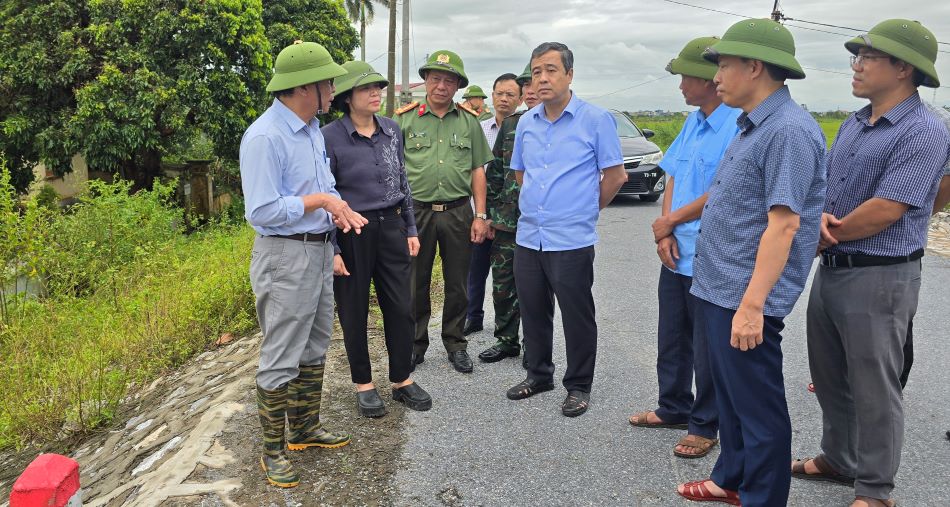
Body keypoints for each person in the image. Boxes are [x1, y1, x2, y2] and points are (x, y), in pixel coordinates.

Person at [794, 20, 949, 507]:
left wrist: (821, 236)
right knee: (831, 373)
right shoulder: (854, 122)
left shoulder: (924, 129)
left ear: (904, 69)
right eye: (856, 56)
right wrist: (817, 219)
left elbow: (889, 207)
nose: (856, 66)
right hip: (835, 265)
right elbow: (830, 187)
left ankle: (876, 490)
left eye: (868, 58)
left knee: (875, 386)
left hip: (881, 273)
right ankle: (840, 458)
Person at [675, 19, 827, 506]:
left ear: (755, 66)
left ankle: (762, 496)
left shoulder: (788, 131)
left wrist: (753, 306)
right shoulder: (753, 124)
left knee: (758, 407)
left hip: (744, 296)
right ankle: (732, 478)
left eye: (723, 64)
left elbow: (784, 225)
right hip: (720, 288)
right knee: (734, 399)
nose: (715, 74)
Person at [240, 41, 369, 488]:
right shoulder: (264, 137)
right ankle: (272, 450)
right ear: (303, 87)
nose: (334, 90)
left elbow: (325, 185)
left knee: (315, 344)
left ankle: (304, 429)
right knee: (281, 352)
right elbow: (261, 211)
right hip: (284, 255)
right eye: (328, 82)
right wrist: (321, 201)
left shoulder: (311, 127)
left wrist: (333, 224)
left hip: (316, 249)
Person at [626, 36, 741, 460]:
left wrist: (672, 221)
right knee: (672, 334)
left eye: (684, 77)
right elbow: (673, 174)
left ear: (711, 78)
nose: (679, 87)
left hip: (712, 253)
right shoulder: (694, 121)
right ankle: (673, 405)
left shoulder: (736, 124)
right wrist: (666, 229)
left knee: (708, 345)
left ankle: (704, 424)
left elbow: (724, 190)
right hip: (678, 249)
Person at [504, 42, 627, 417]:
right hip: (529, 236)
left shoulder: (595, 119)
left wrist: (585, 209)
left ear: (569, 75)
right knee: (533, 310)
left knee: (576, 314)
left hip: (572, 238)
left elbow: (615, 175)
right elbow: (520, 173)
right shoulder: (527, 121)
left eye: (551, 70)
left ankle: (578, 385)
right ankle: (538, 374)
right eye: (536, 71)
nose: (542, 78)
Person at [321, 61, 432, 418]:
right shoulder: (328, 136)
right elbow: (325, 192)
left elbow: (403, 182)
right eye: (366, 88)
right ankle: (364, 385)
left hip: (392, 227)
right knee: (353, 310)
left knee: (401, 306)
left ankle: (401, 379)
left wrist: (411, 228)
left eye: (378, 88)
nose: (375, 93)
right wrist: (334, 248)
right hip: (351, 230)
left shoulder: (392, 129)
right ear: (346, 97)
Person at [396, 50, 493, 374]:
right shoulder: (404, 119)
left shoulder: (468, 121)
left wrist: (480, 216)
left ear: (457, 86)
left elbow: (478, 169)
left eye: (448, 80)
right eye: (435, 78)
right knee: (415, 282)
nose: (441, 85)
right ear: (425, 81)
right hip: (416, 214)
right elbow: (392, 169)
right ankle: (414, 343)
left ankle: (455, 343)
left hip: (457, 213)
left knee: (457, 284)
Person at [464, 73, 524, 339]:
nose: (503, 99)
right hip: (480, 211)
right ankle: (473, 316)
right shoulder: (480, 128)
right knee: (475, 269)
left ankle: (513, 332)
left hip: (510, 216)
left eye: (510, 94)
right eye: (499, 93)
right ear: (492, 95)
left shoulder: (524, 128)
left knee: (510, 275)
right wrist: (482, 215)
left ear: (520, 98)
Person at [479, 67, 530, 364]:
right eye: (527, 84)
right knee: (503, 284)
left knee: (536, 287)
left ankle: (534, 344)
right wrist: (490, 215)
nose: (531, 89)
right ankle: (506, 339)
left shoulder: (555, 126)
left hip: (539, 224)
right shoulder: (511, 125)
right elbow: (494, 175)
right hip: (507, 220)